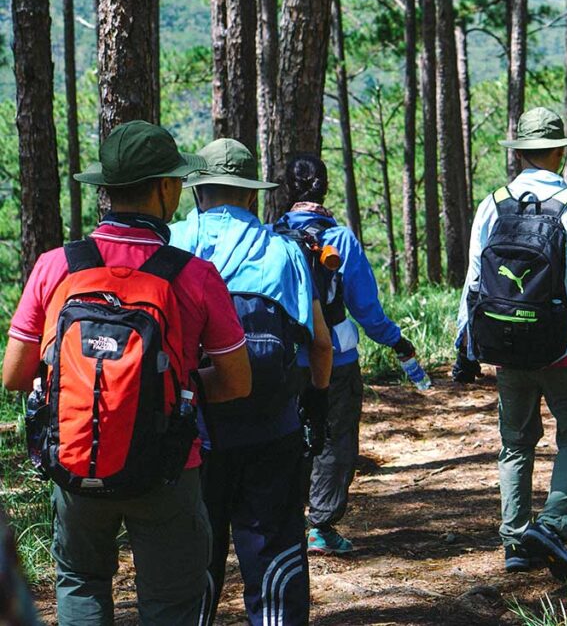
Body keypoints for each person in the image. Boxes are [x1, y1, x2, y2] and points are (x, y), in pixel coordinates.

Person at [2, 121, 252, 625]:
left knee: (81, 582)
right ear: (163, 187)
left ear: (107, 189)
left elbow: (13, 374)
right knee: (170, 601)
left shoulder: (56, 266)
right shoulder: (195, 276)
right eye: (177, 181)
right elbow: (238, 381)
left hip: (75, 464)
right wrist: (172, 388)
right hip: (167, 468)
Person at [453, 107, 567, 583]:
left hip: (506, 346)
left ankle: (516, 541)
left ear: (519, 153)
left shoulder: (492, 204)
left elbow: (475, 281)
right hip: (566, 349)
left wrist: (465, 345)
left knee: (515, 444)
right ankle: (552, 526)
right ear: (560, 150)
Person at [169, 139, 334, 626]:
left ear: (200, 191)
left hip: (191, 434)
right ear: (249, 195)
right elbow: (320, 344)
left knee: (193, 556)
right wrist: (317, 405)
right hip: (271, 427)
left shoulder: (174, 244)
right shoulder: (283, 250)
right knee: (274, 547)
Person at [274, 154, 418, 556]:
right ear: (326, 187)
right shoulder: (341, 241)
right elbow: (367, 311)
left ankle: (287, 522)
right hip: (337, 359)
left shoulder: (273, 237)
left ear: (288, 190)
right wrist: (397, 342)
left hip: (284, 360)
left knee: (288, 435)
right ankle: (321, 526)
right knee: (335, 441)